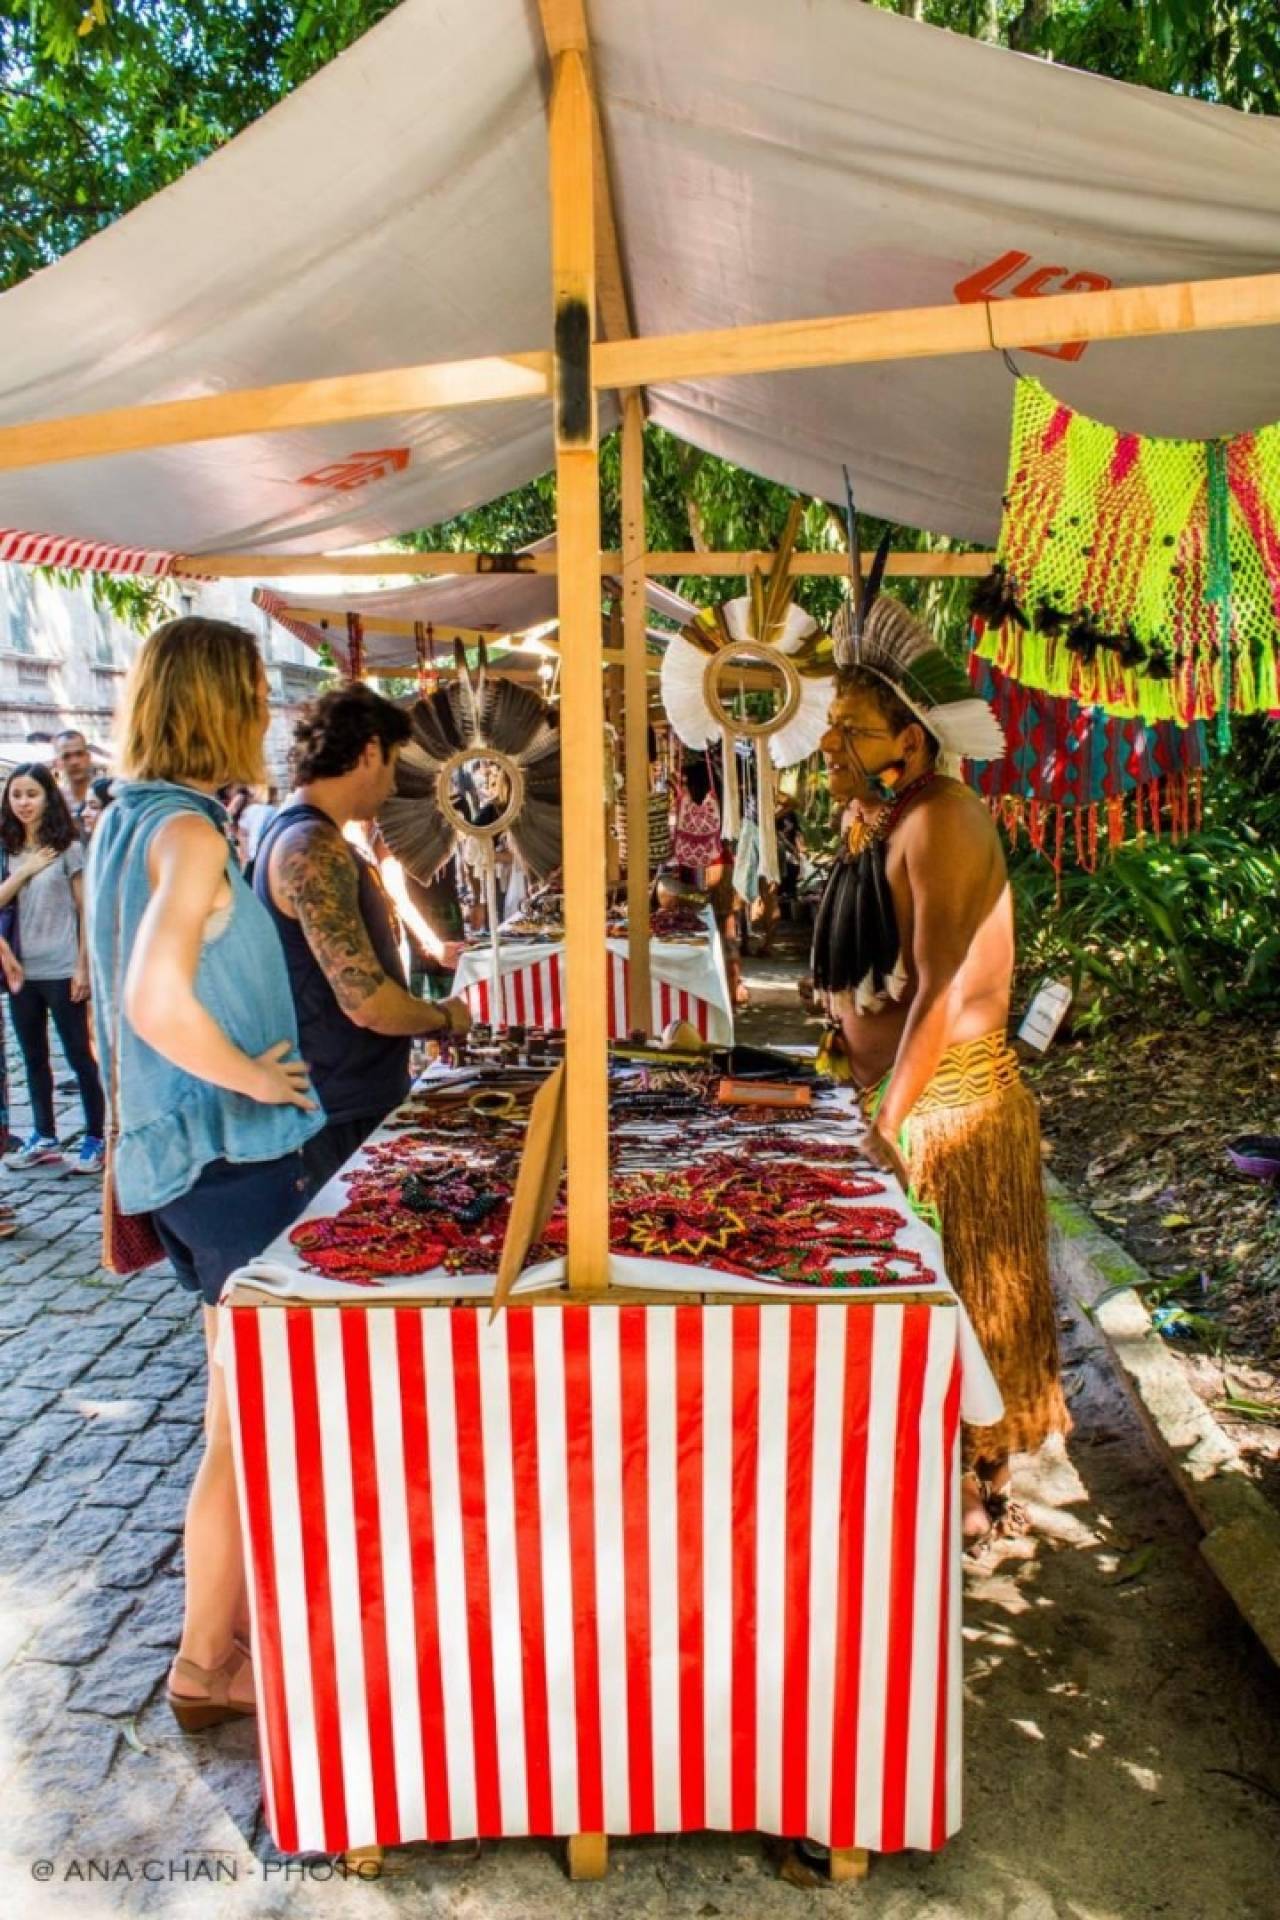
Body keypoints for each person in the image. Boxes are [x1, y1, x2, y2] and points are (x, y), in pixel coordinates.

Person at [88, 615, 323, 1730]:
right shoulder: (182, 834)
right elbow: (147, 999)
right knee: (243, 1431)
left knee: (236, 1422)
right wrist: (255, 1079)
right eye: (257, 696)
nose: (268, 715)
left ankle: (210, 1657)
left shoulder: (130, 823)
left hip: (188, 1166)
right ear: (219, 705)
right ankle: (204, 1665)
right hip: (229, 1165)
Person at [812, 595, 1070, 1546]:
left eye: (851, 729)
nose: (830, 745)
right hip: (904, 1100)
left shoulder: (947, 821)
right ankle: (929, 1469)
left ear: (911, 742)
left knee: (966, 1304)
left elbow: (942, 992)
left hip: (948, 1111)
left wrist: (891, 1118)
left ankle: (977, 1475)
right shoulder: (892, 817)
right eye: (832, 727)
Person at [256, 683, 471, 1192]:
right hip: (338, 1102)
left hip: (343, 1091)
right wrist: (444, 1017)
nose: (393, 784)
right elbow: (366, 1003)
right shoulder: (311, 845)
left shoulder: (304, 835)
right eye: (394, 763)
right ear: (370, 751)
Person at [0, 763, 106, 1173]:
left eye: (32, 794)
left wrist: (83, 966)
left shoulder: (68, 847)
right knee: (33, 1057)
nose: (24, 803)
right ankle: (43, 1134)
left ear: (48, 797)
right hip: (21, 973)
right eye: (17, 795)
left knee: (80, 1056)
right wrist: (25, 870)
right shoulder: (7, 849)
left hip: (62, 968)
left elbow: (86, 910)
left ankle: (95, 1136)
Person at [53, 728, 95, 831]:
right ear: (57, 763)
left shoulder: (106, 793)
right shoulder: (54, 801)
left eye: (79, 754)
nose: (74, 762)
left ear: (88, 757)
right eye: (66, 756)